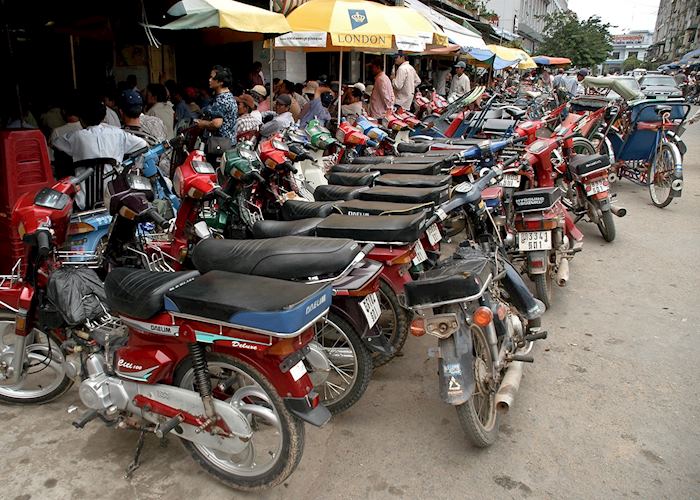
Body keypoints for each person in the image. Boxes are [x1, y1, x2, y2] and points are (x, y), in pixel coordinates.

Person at [53, 97, 148, 208]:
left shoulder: (75, 137)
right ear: (103, 117)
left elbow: (56, 143)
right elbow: (142, 144)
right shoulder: (118, 134)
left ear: (81, 119)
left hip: (82, 204)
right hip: (112, 200)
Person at [195, 65, 238, 144]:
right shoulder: (229, 96)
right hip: (228, 142)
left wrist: (202, 123)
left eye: (212, 78)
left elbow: (216, 123)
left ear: (221, 82)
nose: (209, 80)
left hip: (219, 145)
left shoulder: (222, 99)